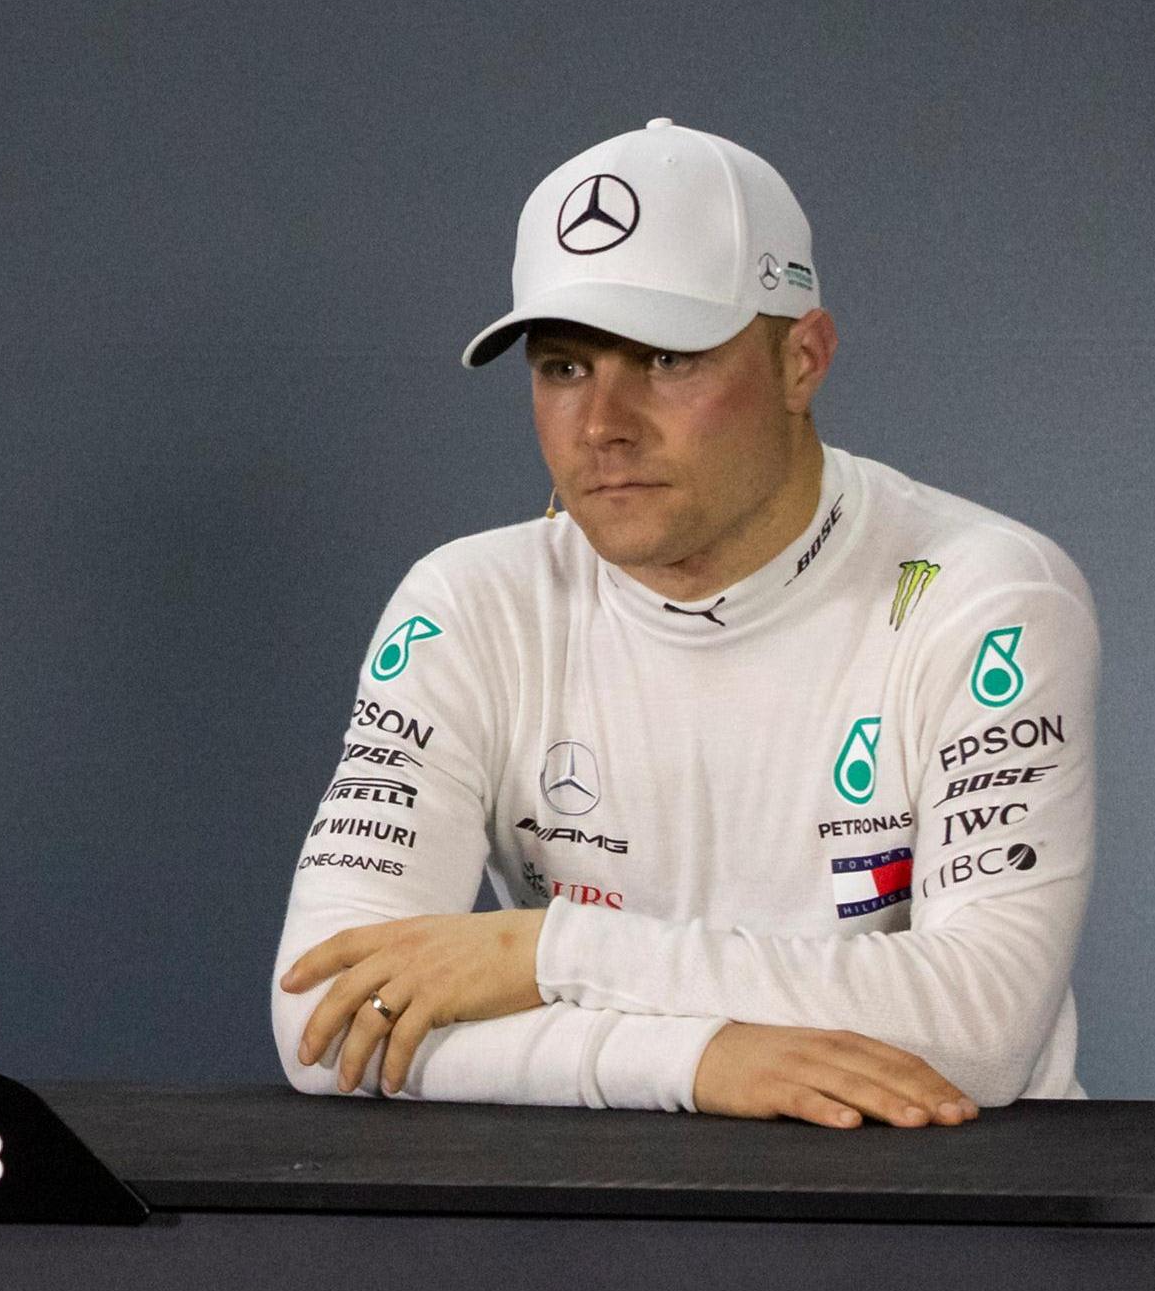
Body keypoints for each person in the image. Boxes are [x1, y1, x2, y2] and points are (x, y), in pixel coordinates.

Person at [270, 119, 1094, 1126]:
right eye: (564, 367)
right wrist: (695, 1063)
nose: (603, 425)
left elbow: (985, 1026)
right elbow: (323, 1014)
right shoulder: (468, 605)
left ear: (803, 360)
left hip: (943, 1198)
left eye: (667, 358)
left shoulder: (986, 594)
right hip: (596, 1205)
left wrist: (545, 952)